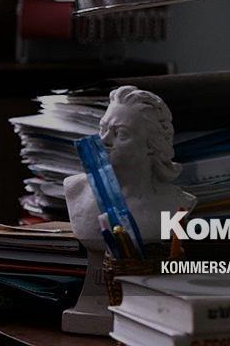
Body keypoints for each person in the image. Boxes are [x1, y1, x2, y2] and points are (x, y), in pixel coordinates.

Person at [66, 85, 196, 252]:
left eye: (121, 133)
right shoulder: (75, 189)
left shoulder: (177, 203)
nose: (104, 140)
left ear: (152, 145)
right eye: (102, 129)